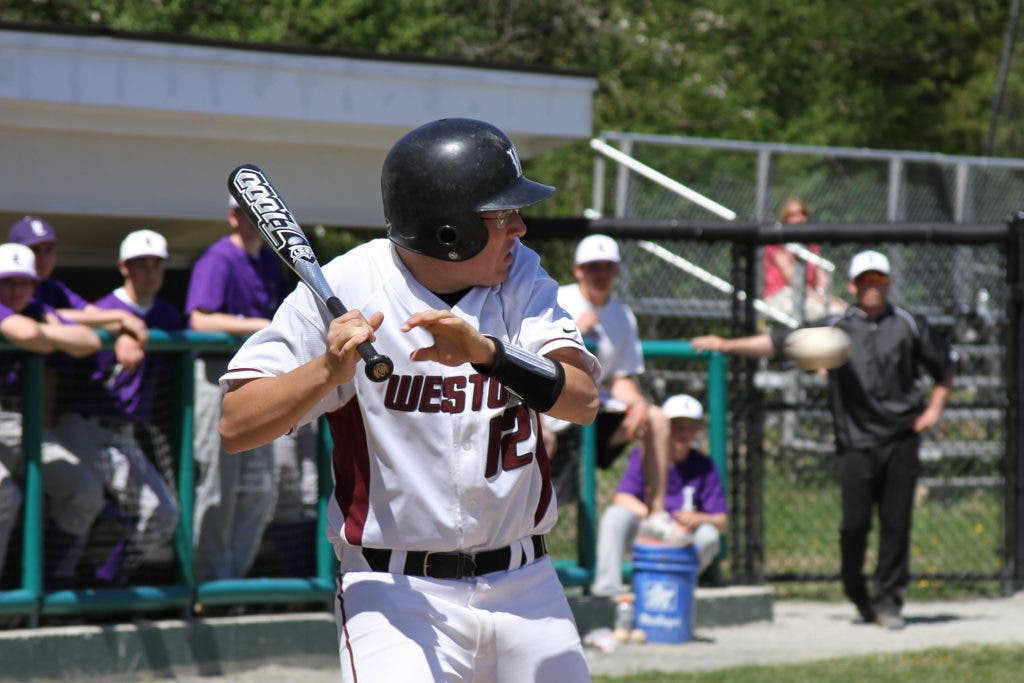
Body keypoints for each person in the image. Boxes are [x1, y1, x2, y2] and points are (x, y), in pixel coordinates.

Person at [218, 117, 599, 682]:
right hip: (395, 590)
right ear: (450, 231)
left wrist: (489, 353)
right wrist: (326, 371)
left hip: (526, 583)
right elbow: (234, 425)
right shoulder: (345, 286)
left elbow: (583, 401)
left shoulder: (520, 277)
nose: (519, 228)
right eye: (501, 216)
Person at [693, 249, 955, 630]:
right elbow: (780, 343)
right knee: (854, 525)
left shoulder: (910, 324)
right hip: (855, 441)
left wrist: (932, 412)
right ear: (852, 286)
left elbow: (945, 370)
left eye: (878, 280)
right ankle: (857, 591)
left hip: (900, 438)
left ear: (888, 284)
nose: (872, 287)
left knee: (897, 524)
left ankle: (889, 601)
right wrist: (726, 344)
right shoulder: (836, 327)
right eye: (865, 281)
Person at [51, 230, 181, 584]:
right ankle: (56, 583)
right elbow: (52, 329)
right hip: (83, 425)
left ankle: (104, 585)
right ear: (124, 267)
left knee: (163, 514)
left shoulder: (167, 316)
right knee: (85, 501)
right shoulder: (103, 311)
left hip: (125, 435)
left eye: (158, 265)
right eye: (142, 264)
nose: (151, 272)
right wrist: (117, 327)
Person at [185, 197, 287, 583]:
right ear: (233, 217)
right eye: (247, 215)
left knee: (262, 489)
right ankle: (209, 585)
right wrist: (256, 324)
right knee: (218, 487)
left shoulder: (267, 260)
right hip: (216, 376)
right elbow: (199, 320)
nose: (255, 223)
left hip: (258, 380)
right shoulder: (218, 258)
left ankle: (232, 582)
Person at [0, 242, 105, 588]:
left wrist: (45, 334)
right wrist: (49, 336)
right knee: (4, 493)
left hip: (22, 424)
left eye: (23, 282)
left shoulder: (37, 309)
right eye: (7, 282)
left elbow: (89, 341)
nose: (16, 290)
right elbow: (25, 334)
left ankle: (49, 581)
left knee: (85, 492)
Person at [543, 234, 670, 515]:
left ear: (617, 271)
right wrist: (576, 330)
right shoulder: (555, 298)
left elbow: (621, 377)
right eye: (593, 267)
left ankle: (658, 514)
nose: (600, 274)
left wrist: (638, 404)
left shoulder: (622, 315)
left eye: (607, 266)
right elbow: (536, 356)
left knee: (656, 419)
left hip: (593, 411)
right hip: (550, 407)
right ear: (578, 270)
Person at [591, 394, 727, 597]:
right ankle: (607, 592)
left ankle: (670, 583)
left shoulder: (704, 466)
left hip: (681, 538)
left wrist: (697, 519)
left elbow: (721, 521)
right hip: (649, 530)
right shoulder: (643, 455)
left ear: (698, 430)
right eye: (677, 426)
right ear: (665, 428)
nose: (683, 433)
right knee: (615, 516)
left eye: (690, 427)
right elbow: (622, 498)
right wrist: (658, 518)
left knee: (709, 536)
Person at [8, 216, 150, 374]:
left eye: (48, 250)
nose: (42, 259)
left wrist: (122, 331)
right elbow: (44, 318)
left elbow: (91, 316)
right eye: (34, 250)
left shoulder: (54, 288)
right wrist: (119, 316)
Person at [762, 198, 844, 321]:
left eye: (803, 213)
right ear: (785, 218)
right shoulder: (776, 244)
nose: (800, 218)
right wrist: (821, 301)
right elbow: (795, 280)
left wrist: (825, 296)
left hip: (809, 295)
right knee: (828, 312)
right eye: (793, 215)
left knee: (844, 309)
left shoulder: (811, 244)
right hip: (783, 294)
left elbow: (821, 277)